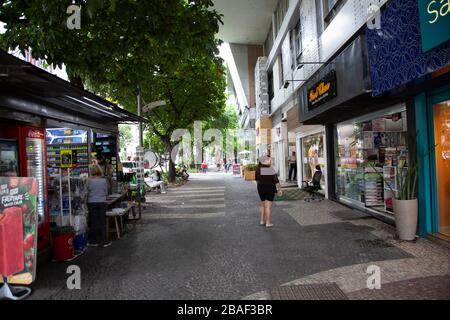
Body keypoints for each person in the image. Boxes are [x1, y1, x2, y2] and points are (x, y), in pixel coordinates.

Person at [87, 165, 111, 248]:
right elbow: (106, 192)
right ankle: (105, 241)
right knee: (102, 221)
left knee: (93, 222)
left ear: (92, 171)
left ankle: (94, 241)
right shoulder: (104, 181)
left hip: (91, 202)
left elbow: (86, 192)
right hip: (101, 202)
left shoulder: (89, 181)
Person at [255, 155, 282, 228]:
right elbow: (276, 182)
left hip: (260, 187)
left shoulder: (258, 169)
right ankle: (268, 222)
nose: (270, 161)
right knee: (268, 207)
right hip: (270, 188)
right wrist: (279, 190)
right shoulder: (270, 170)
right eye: (269, 160)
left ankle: (262, 220)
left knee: (263, 205)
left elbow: (257, 180)